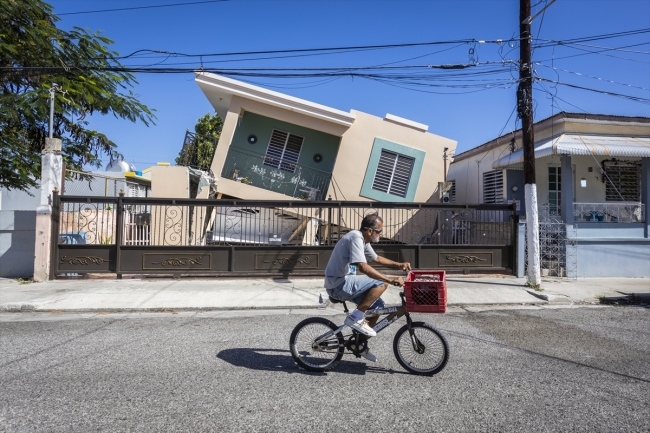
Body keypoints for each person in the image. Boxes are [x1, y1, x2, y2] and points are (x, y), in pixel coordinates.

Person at [324, 213, 411, 362]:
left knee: (377, 308)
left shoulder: (363, 240)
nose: (380, 234)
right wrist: (389, 280)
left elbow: (376, 258)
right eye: (379, 231)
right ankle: (356, 317)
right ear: (370, 231)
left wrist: (399, 264)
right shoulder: (356, 237)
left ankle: (360, 344)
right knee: (381, 283)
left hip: (344, 282)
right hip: (338, 284)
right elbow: (364, 268)